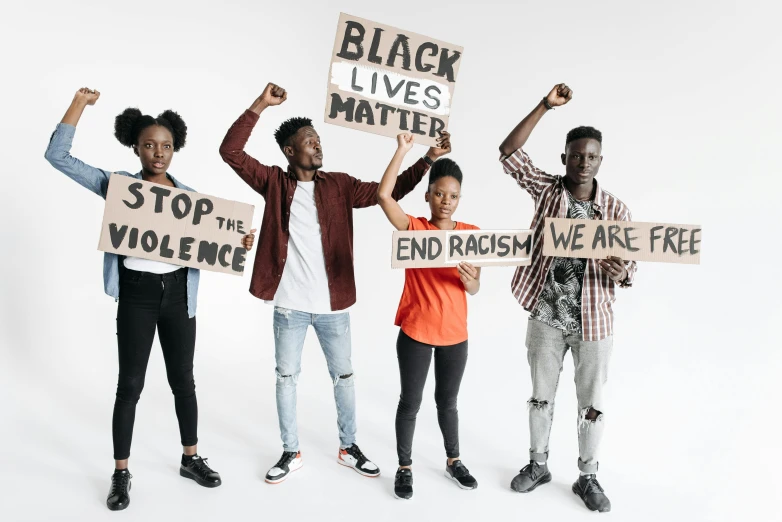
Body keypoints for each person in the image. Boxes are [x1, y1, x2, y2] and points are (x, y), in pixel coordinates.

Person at [219, 82, 448, 484]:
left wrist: (427, 157)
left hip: (333, 307)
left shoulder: (339, 185)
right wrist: (260, 104)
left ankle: (348, 446)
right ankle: (290, 451)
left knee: (344, 377)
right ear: (291, 152)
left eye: (318, 139)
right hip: (289, 305)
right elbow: (230, 152)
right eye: (309, 141)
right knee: (286, 378)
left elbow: (387, 193)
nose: (317, 146)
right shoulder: (273, 181)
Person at [44, 87, 256, 511]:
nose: (158, 153)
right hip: (137, 297)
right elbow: (59, 158)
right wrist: (78, 106)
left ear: (175, 149)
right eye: (149, 146)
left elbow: (216, 240)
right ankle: (121, 473)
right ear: (135, 147)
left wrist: (237, 240)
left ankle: (190, 459)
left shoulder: (190, 198)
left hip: (178, 296)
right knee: (130, 386)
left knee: (184, 381)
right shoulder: (117, 186)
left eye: (166, 146)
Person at [497, 83, 637, 513]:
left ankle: (588, 474)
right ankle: (538, 465)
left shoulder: (616, 211)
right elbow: (508, 152)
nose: (583, 162)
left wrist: (622, 271)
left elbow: (630, 266)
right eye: (576, 155)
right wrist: (545, 105)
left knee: (592, 403)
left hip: (595, 321)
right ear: (565, 158)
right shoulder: (547, 191)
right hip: (546, 315)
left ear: (600, 160)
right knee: (540, 395)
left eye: (591, 156)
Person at [376, 132, 480, 500]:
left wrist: (473, 282)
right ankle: (404, 468)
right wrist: (404, 150)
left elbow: (475, 288)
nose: (446, 201)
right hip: (417, 332)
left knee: (447, 402)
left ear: (459, 198)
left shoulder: (472, 236)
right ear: (428, 194)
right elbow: (383, 196)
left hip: (455, 335)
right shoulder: (415, 228)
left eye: (452, 196)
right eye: (439, 194)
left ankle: (454, 461)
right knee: (410, 402)